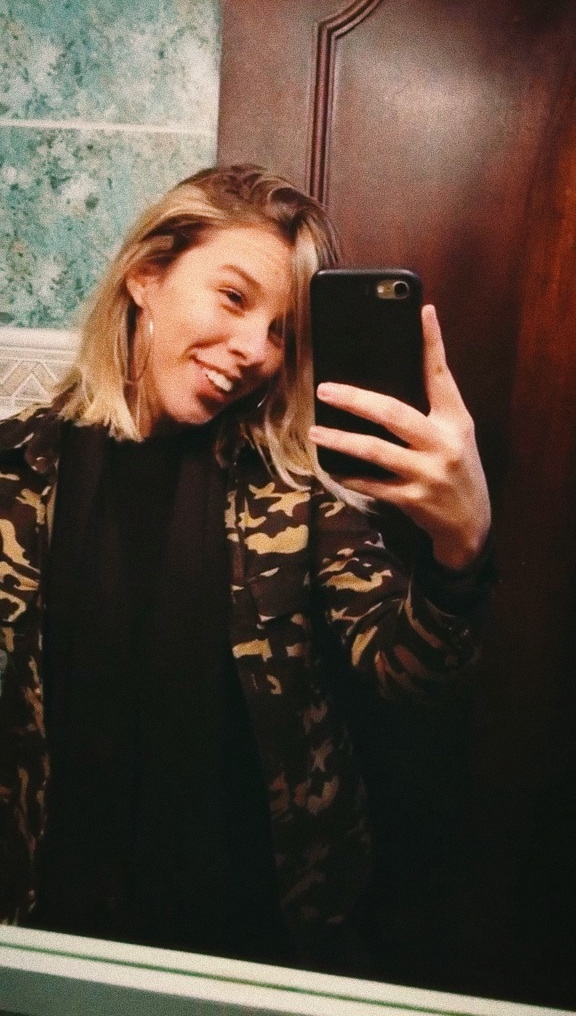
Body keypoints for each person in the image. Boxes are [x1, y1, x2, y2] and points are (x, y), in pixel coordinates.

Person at [0, 163, 492, 970]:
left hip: (250, 937)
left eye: (282, 333)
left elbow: (410, 674)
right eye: (234, 298)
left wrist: (460, 547)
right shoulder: (15, 471)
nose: (253, 351)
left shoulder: (295, 490)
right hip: (43, 930)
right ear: (146, 276)